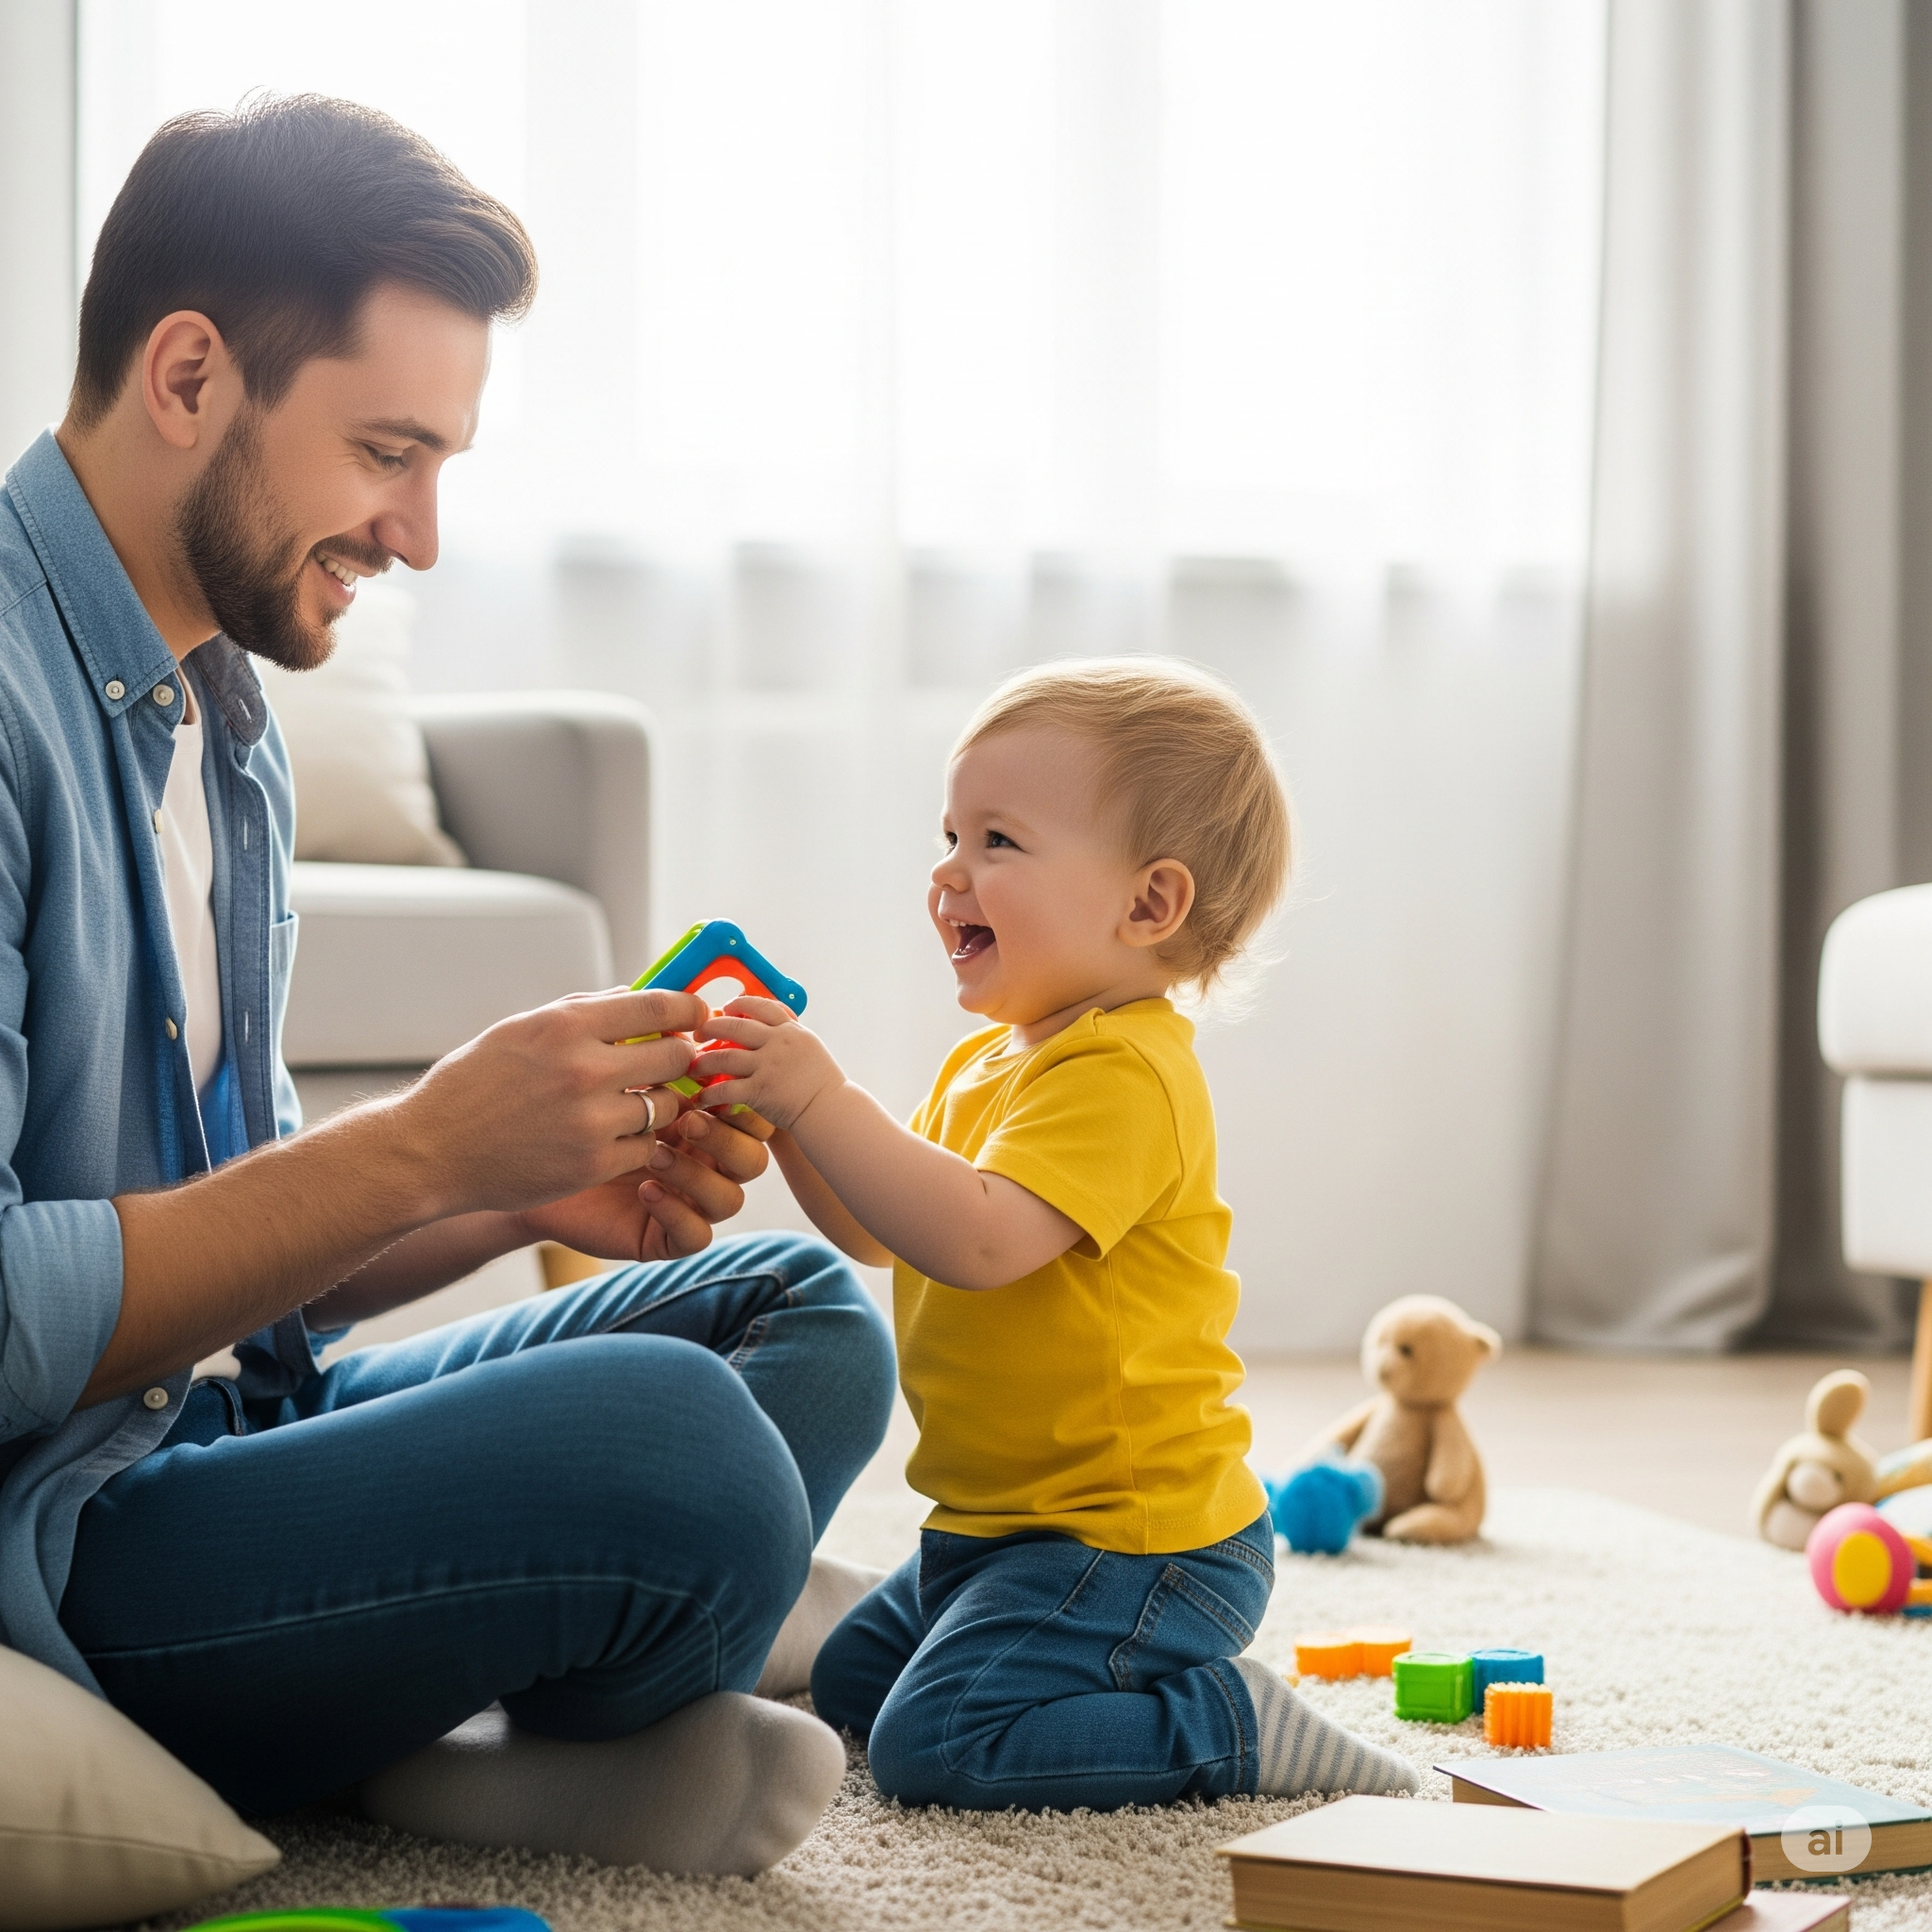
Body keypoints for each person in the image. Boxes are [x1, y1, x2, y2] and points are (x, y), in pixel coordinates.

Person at [0, 95, 894, 1876]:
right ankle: (486, 1733)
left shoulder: (221, 722)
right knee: (681, 1455)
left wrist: (500, 1195)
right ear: (187, 376)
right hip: (74, 1521)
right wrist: (418, 1146)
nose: (416, 533)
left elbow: (240, 1255)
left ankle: (463, 1717)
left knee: (796, 1314)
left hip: (222, 1419)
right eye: (386, 451)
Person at [691, 658, 1422, 1810]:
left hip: (1138, 1545)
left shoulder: (1126, 1072)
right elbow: (891, 1236)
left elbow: (980, 1239)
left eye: (997, 840)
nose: (946, 872)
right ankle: (1050, 1658)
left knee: (942, 1745)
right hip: (1000, 1527)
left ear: (1147, 904)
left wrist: (822, 1098)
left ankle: (1227, 1720)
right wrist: (792, 1123)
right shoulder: (991, 1059)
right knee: (852, 1683)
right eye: (947, 832)